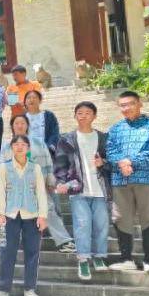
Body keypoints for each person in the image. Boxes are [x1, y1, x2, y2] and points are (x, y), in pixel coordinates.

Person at [54, 102, 112, 280]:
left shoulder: (103, 138)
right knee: (82, 224)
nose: (83, 116)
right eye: (80, 113)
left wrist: (103, 163)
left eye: (88, 113)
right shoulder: (67, 139)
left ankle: (99, 256)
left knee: (101, 225)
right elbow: (60, 164)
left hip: (100, 189)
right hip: (78, 189)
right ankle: (84, 259)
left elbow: (112, 161)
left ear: (94, 116)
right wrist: (62, 182)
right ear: (75, 116)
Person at [1, 114, 75, 253]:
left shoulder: (38, 143)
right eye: (16, 123)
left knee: (48, 209)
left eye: (23, 123)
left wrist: (50, 181)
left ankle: (64, 241)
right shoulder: (6, 146)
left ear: (27, 126)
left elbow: (48, 162)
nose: (20, 126)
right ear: (12, 126)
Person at [0, 135, 47, 296]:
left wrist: (43, 216)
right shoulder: (5, 167)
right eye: (16, 144)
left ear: (28, 148)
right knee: (7, 251)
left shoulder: (35, 168)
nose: (20, 147)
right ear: (11, 148)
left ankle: (30, 289)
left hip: (32, 215)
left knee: (32, 252)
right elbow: (1, 191)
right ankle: (2, 288)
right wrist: (0, 212)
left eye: (23, 144)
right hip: (10, 215)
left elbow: (41, 193)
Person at [106, 91, 149, 272]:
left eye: (130, 104)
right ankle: (126, 259)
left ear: (140, 103)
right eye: (123, 105)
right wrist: (122, 162)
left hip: (147, 179)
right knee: (121, 218)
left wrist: (131, 162)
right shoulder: (115, 129)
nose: (126, 108)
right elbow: (110, 151)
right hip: (121, 180)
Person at [23, 90, 60, 154]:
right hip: (28, 152)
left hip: (46, 151)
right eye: (28, 98)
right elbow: (18, 136)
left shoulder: (48, 115)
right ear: (25, 102)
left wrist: (49, 147)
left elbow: (55, 133)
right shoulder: (21, 118)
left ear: (40, 101)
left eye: (34, 97)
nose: (31, 100)